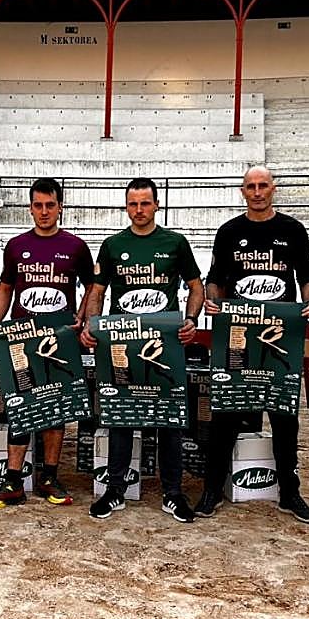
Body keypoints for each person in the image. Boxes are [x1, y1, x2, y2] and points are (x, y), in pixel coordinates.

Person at [200, 165, 309, 523]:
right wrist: (211, 301)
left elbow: (307, 278)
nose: (257, 192)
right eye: (250, 186)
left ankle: (290, 492)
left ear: (273, 188)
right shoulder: (229, 231)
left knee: (284, 417)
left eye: (263, 185)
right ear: (243, 191)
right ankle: (211, 489)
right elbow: (215, 280)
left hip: (281, 336)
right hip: (237, 334)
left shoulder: (293, 230)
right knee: (224, 413)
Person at [81, 177, 204, 523]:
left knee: (169, 421)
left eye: (145, 203)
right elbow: (97, 292)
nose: (139, 210)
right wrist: (92, 325)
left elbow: (197, 288)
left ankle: (173, 493)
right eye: (133, 204)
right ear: (126, 206)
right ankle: (115, 490)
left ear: (156, 205)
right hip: (122, 343)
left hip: (165, 347)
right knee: (120, 418)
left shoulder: (176, 243)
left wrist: (191, 318)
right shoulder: (112, 245)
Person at [0, 177, 94, 509]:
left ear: (60, 206)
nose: (44, 211)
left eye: (50, 205)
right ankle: (13, 481)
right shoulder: (16, 246)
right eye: (38, 205)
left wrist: (81, 317)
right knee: (20, 405)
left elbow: (92, 286)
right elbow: (6, 288)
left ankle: (49, 477)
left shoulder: (75, 246)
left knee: (55, 408)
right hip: (21, 339)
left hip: (59, 341)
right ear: (30, 207)